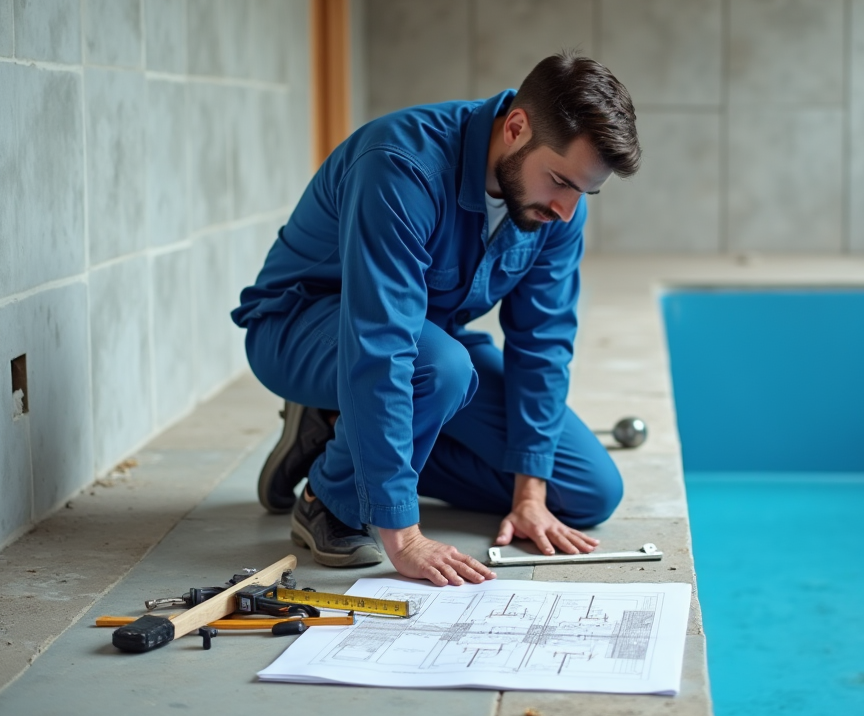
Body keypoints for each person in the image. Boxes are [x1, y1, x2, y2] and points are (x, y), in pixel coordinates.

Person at [231, 53, 642, 587]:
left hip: (426, 341)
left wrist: (530, 496)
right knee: (442, 367)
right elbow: (381, 342)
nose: (567, 210)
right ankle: (328, 499)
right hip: (303, 328)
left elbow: (543, 342)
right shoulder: (401, 165)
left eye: (584, 192)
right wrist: (403, 535)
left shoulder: (559, 207)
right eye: (560, 181)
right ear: (516, 128)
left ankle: (335, 428)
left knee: (587, 490)